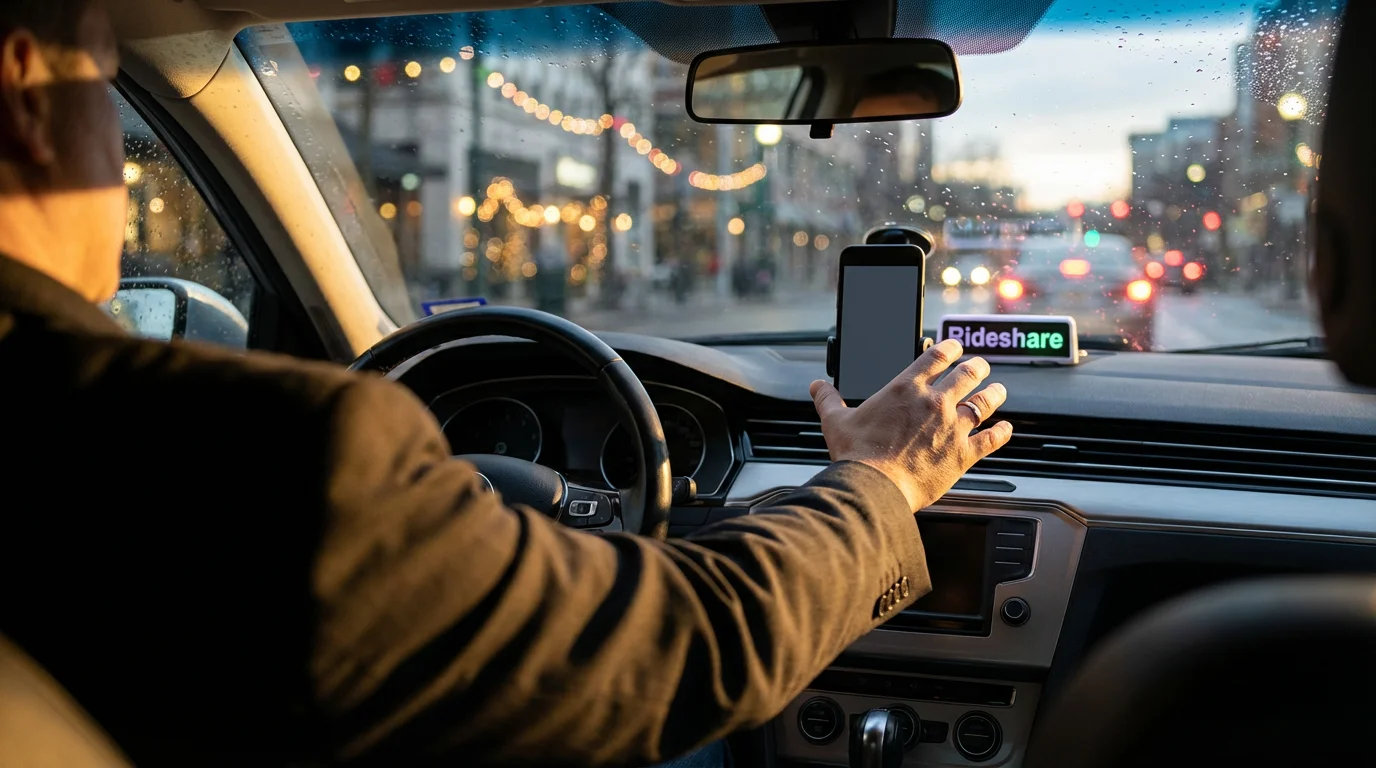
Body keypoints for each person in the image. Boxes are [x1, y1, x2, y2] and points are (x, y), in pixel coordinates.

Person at [0, 2, 1013, 767]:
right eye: (102, 88)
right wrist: (881, 476)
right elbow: (686, 644)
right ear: (22, 94)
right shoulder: (282, 454)